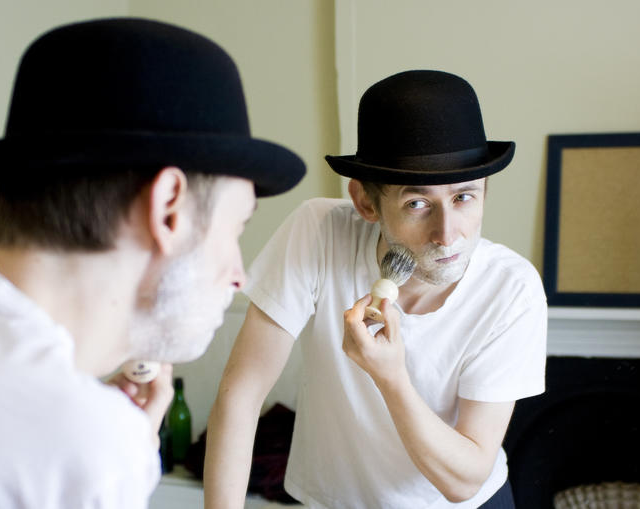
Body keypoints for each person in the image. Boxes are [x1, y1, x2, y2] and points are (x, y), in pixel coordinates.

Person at [0, 18, 304, 508]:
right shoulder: (87, 446)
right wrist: (111, 450)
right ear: (169, 209)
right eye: (236, 228)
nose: (238, 274)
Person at [204, 70, 547, 509]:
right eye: (417, 203)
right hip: (331, 500)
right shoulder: (320, 232)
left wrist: (391, 377)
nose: (447, 234)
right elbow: (242, 395)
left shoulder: (512, 290)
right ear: (366, 202)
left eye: (464, 197)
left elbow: (464, 481)